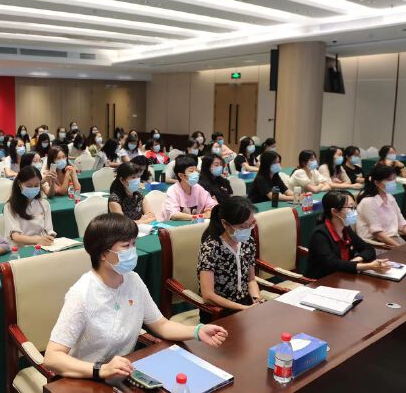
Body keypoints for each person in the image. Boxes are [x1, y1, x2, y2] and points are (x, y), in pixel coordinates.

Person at [43, 213, 228, 381]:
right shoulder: (82, 293)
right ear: (103, 254)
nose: (132, 251)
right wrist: (102, 369)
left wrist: (197, 331)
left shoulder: (132, 279)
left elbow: (161, 325)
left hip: (123, 373)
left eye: (134, 244)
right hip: (86, 377)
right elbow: (52, 357)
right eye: (126, 246)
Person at [198, 197, 263, 323]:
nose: (248, 229)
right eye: (242, 227)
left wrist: (256, 299)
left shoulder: (247, 242)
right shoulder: (211, 247)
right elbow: (208, 296)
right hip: (219, 310)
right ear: (225, 223)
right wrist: (243, 308)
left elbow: (251, 280)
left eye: (251, 224)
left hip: (245, 304)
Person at [304, 190, 390, 279]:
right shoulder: (319, 234)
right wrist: (368, 266)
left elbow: (368, 249)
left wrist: (355, 260)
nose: (354, 211)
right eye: (351, 207)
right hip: (322, 281)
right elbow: (332, 264)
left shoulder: (346, 229)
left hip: (344, 277)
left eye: (355, 207)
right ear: (334, 211)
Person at [356, 164, 406, 247]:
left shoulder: (390, 198)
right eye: (389, 180)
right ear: (377, 183)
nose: (393, 182)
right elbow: (379, 235)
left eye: (394, 178)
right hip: (377, 244)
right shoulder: (368, 202)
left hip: (394, 239)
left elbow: (402, 225)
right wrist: (400, 248)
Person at [3, 165, 56, 246]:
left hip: (40, 246)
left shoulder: (44, 204)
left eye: (36, 185)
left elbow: (49, 230)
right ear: (19, 184)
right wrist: (36, 240)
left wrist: (49, 238)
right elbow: (15, 237)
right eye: (29, 186)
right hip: (20, 248)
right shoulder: (9, 207)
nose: (33, 188)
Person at [163, 156, 217, 220]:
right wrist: (199, 216)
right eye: (191, 171)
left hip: (196, 224)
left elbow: (211, 204)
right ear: (181, 175)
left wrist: (208, 211)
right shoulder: (172, 190)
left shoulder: (197, 188)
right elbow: (174, 214)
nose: (196, 173)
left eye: (196, 170)